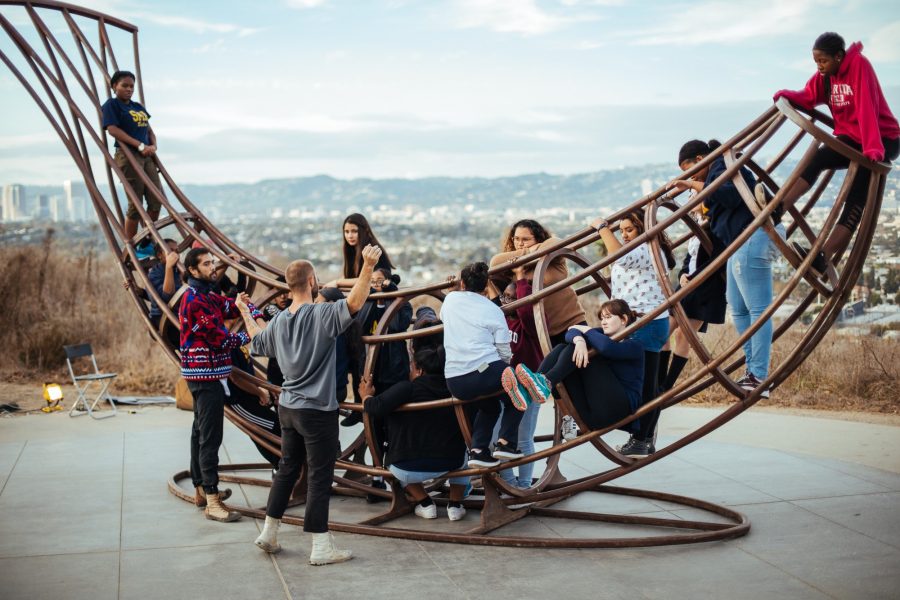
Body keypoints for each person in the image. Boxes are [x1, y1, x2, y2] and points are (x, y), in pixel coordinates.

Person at [236, 243, 383, 564]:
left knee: (288, 469)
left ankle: (269, 532)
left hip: (288, 407)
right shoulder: (322, 315)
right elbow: (356, 302)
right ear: (313, 280)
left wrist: (245, 311)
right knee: (319, 475)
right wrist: (368, 266)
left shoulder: (279, 322)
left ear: (289, 285)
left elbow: (256, 338)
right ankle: (320, 546)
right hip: (317, 410)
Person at [769, 32, 900, 276]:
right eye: (816, 61)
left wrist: (872, 147)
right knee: (818, 158)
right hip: (852, 138)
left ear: (839, 57)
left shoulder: (859, 66)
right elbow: (809, 96)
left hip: (882, 138)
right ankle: (778, 209)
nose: (819, 66)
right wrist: (787, 95)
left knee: (856, 197)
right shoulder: (825, 76)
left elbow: (866, 106)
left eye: (823, 61)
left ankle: (822, 257)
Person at [673, 138, 781, 399]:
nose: (690, 178)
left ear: (701, 160)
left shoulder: (722, 166)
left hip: (751, 236)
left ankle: (759, 375)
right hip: (739, 243)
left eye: (690, 171)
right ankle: (753, 369)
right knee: (739, 306)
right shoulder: (717, 173)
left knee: (757, 309)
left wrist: (693, 184)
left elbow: (731, 194)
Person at [178, 247, 264, 522]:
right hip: (205, 376)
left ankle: (201, 488)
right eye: (206, 264)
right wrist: (251, 333)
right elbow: (221, 339)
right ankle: (212, 501)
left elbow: (229, 306)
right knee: (210, 436)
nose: (212, 266)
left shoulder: (206, 295)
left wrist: (250, 308)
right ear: (192, 270)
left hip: (205, 373)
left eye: (212, 262)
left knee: (199, 431)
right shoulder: (195, 301)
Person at [590, 209, 676, 456]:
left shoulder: (645, 248)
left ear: (643, 228)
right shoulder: (648, 248)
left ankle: (642, 438)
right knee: (647, 383)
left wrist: (602, 228)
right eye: (622, 230)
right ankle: (644, 437)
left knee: (647, 384)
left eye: (630, 229)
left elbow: (616, 255)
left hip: (645, 323)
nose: (626, 235)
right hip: (644, 322)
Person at [513, 299, 644, 447]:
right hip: (592, 416)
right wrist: (579, 340)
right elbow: (571, 331)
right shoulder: (600, 335)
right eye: (601, 318)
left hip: (618, 408)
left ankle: (544, 382)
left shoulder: (635, 345)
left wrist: (585, 333)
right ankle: (535, 386)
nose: (603, 322)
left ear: (624, 319)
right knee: (565, 347)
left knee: (582, 350)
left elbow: (607, 348)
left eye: (608, 317)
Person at [359, 345, 469, 521]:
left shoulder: (407, 389)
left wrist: (366, 395)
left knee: (398, 466)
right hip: (450, 462)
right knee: (469, 456)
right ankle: (455, 505)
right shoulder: (453, 389)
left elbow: (375, 408)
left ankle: (425, 503)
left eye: (411, 367)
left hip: (406, 467)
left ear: (419, 371)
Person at [441, 261, 525, 468]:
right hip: (482, 372)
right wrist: (502, 370)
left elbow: (446, 316)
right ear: (486, 285)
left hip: (454, 381)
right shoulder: (493, 310)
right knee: (521, 387)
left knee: (490, 408)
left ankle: (478, 450)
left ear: (462, 283)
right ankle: (506, 444)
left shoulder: (450, 300)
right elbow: (505, 352)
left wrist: (454, 291)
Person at [658, 205, 727, 392]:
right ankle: (658, 381)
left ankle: (666, 386)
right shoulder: (696, 222)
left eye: (693, 195)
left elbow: (719, 258)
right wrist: (683, 273)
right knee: (663, 332)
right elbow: (691, 257)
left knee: (684, 335)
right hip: (687, 285)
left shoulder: (716, 222)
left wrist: (694, 277)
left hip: (706, 288)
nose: (690, 199)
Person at [489, 219, 587, 346]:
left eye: (525, 240)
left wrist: (526, 255)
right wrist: (528, 253)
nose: (520, 244)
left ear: (538, 239)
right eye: (516, 239)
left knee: (584, 362)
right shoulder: (514, 268)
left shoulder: (552, 258)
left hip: (572, 324)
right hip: (543, 334)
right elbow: (495, 262)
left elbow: (556, 242)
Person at [100, 70, 161, 241]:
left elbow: (149, 130)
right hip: (128, 155)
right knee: (136, 204)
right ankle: (132, 244)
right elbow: (112, 129)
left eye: (131, 86)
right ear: (114, 86)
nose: (129, 89)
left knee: (157, 200)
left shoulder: (138, 107)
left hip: (146, 155)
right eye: (124, 85)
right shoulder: (112, 105)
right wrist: (139, 145)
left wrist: (153, 146)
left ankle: (146, 240)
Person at [498, 271, 545, 488]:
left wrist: (521, 280)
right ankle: (509, 484)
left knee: (524, 437)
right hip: (506, 387)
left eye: (512, 298)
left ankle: (524, 485)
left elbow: (526, 312)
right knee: (498, 439)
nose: (506, 302)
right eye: (504, 297)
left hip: (528, 385)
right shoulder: (502, 321)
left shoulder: (531, 325)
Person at [324, 213, 394, 288]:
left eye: (354, 231)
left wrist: (337, 282)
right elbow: (349, 278)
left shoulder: (372, 249)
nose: (350, 236)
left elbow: (369, 280)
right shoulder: (352, 248)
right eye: (346, 232)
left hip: (378, 294)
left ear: (365, 230)